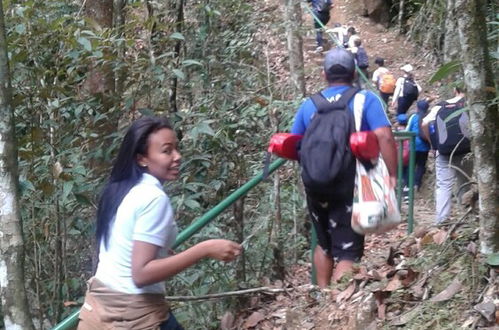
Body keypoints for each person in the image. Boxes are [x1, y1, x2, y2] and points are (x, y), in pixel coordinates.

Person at [78, 117, 242, 329]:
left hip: (99, 308)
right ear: (142, 159)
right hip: (134, 313)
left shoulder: (121, 190)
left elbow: (124, 248)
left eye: (176, 148)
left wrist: (161, 252)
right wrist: (205, 248)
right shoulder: (153, 198)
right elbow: (141, 274)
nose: (177, 156)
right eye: (167, 151)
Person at [290, 48, 397, 287]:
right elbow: (385, 138)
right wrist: (391, 175)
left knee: (324, 243)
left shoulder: (310, 104)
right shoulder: (366, 99)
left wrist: (318, 171)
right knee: (348, 251)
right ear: (353, 73)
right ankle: (336, 307)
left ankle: (322, 295)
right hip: (351, 183)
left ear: (324, 74)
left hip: (315, 183)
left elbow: (295, 143)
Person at [421, 87, 472, 224]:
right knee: (465, 183)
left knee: (443, 185)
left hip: (443, 152)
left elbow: (424, 123)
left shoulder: (441, 106)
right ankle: (467, 218)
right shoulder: (470, 103)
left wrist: (433, 144)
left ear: (455, 89)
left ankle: (442, 221)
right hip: (466, 151)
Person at [404, 100, 430, 192]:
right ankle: (416, 184)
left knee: (411, 165)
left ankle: (407, 185)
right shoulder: (429, 117)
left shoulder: (414, 117)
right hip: (425, 147)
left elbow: (407, 130)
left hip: (414, 145)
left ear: (417, 108)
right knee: (421, 166)